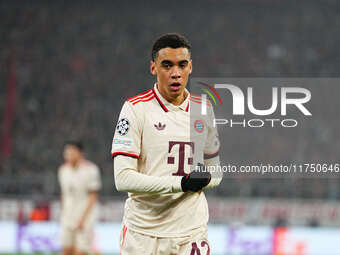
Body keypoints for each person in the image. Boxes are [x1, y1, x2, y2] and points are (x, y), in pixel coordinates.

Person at [111, 33, 222, 255]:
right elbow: (122, 178)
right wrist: (181, 183)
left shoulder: (203, 109)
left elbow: (215, 172)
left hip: (191, 232)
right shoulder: (135, 109)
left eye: (182, 65)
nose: (175, 73)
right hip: (144, 234)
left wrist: (204, 180)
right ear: (153, 68)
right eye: (167, 65)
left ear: (190, 67)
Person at [58, 141, 101, 255]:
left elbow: (93, 196)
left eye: (72, 152)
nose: (68, 155)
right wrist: (63, 213)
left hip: (84, 216)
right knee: (66, 249)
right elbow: (64, 194)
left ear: (80, 153)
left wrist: (84, 219)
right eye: (67, 153)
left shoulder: (91, 169)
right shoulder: (63, 170)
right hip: (67, 216)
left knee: (81, 251)